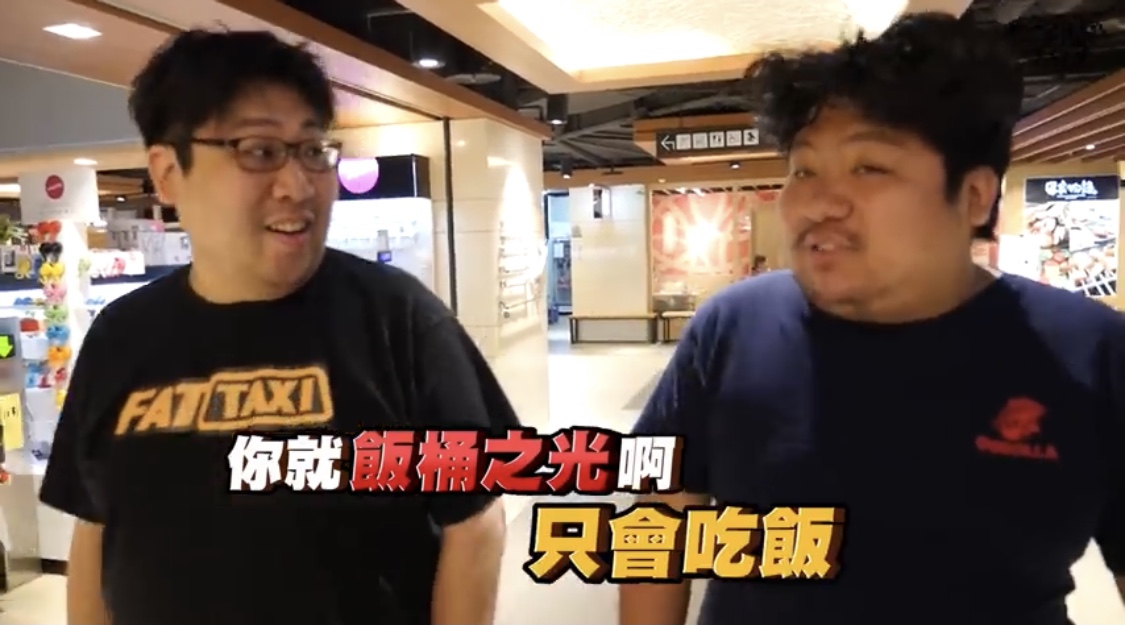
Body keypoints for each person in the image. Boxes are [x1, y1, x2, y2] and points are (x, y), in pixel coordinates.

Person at [621, 13, 1124, 625]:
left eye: (870, 167)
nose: (819, 202)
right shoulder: (729, 326)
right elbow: (660, 513)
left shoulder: (1092, 351)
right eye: (804, 169)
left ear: (974, 196)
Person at [41, 29, 514, 625]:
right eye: (260, 151)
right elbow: (95, 523)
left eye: (314, 151)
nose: (298, 185)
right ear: (167, 172)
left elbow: (475, 521)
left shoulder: (398, 319)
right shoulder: (120, 335)